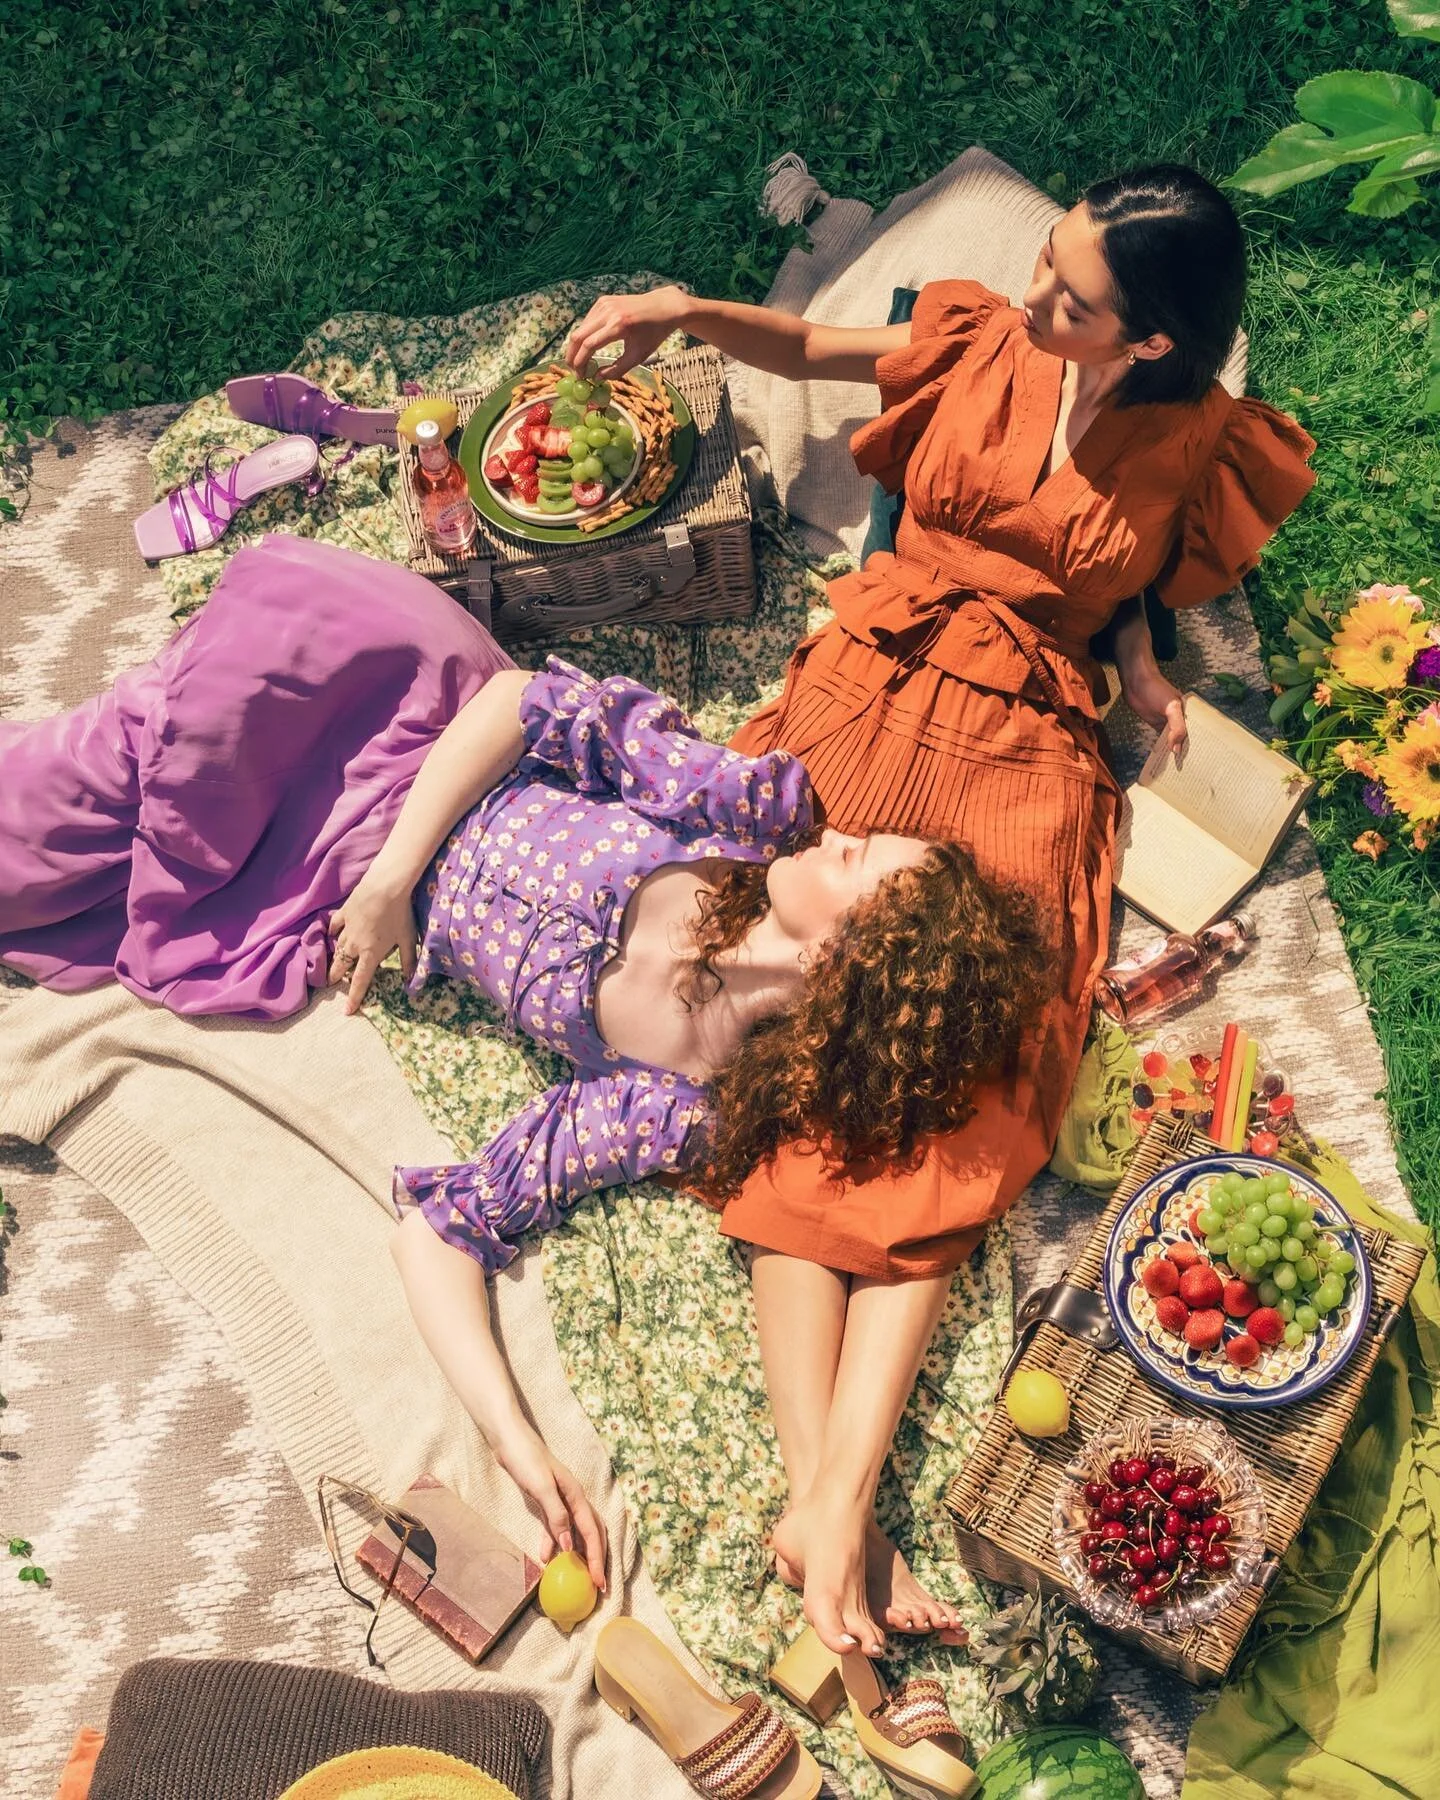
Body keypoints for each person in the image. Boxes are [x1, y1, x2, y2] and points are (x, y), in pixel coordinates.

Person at [564, 164, 1318, 1654]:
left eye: (1075, 298)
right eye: (1048, 261)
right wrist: (681, 311)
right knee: (804, 1033)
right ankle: (835, 1501)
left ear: (1152, 342)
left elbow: (1127, 574)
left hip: (1029, 730)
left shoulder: (1201, 444)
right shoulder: (983, 338)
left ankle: (828, 1501)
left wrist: (1148, 668)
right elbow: (810, 354)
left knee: (977, 1060)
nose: (1039, 296)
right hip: (875, 679)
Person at [0, 532, 1049, 1600]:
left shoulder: (679, 1102)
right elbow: (516, 705)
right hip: (400, 724)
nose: (845, 833)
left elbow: (444, 1229)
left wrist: (516, 1442)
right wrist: (392, 881)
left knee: (42, 884)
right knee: (76, 788)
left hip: (311, 869)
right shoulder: (752, 813)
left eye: (861, 862)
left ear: (847, 964)